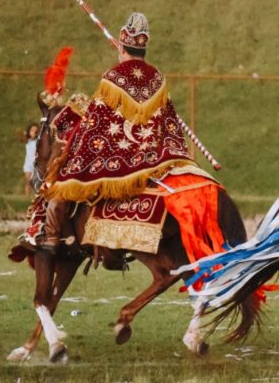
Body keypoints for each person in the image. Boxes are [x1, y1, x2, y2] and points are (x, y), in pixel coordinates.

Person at [40, 13, 195, 251]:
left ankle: (51, 237)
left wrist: (73, 129)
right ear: (143, 49)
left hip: (120, 157)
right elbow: (167, 122)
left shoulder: (112, 78)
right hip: (155, 155)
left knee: (63, 177)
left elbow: (96, 123)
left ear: (121, 47)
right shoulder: (158, 79)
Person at [22, 123, 38, 196]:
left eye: (35, 130)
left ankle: (36, 199)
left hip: (36, 164)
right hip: (28, 164)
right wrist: (27, 133)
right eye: (32, 130)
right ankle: (27, 197)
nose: (34, 132)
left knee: (35, 183)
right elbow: (22, 137)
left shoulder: (38, 140)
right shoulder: (27, 140)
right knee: (27, 181)